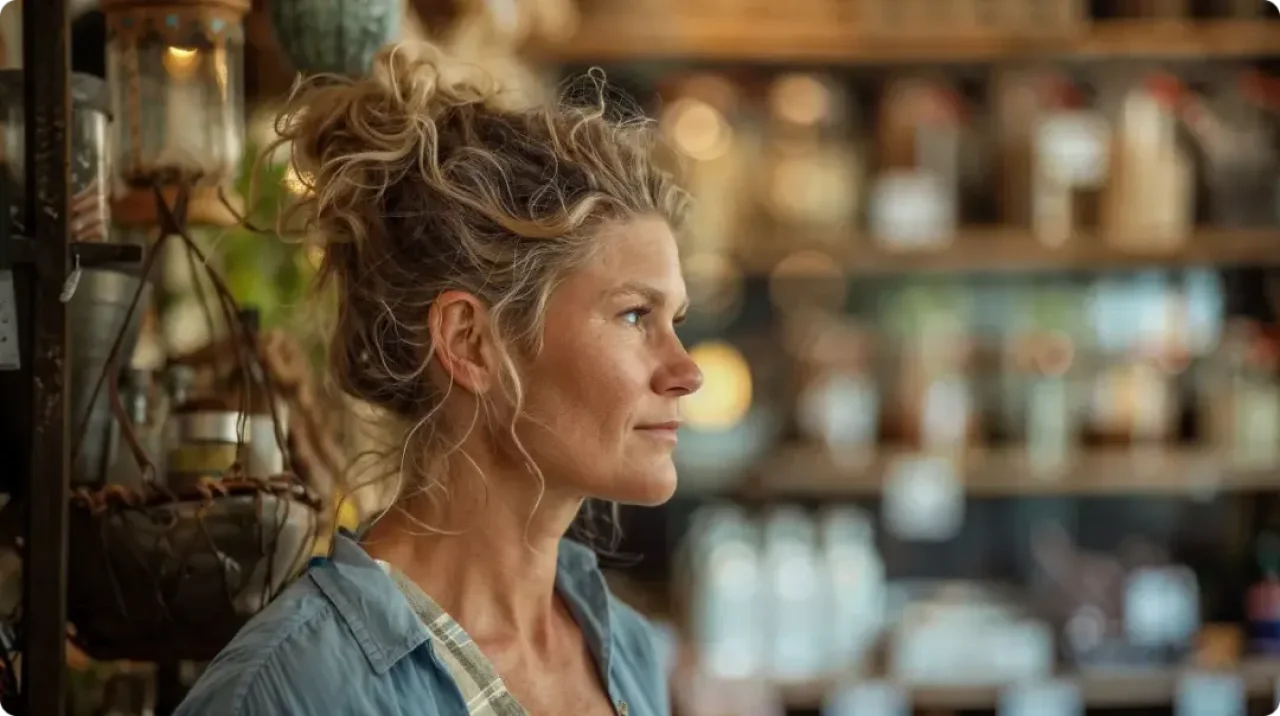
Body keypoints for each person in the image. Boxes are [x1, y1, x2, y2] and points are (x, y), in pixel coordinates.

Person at [174, 41, 701, 716]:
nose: (686, 371)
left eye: (675, 319)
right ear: (470, 343)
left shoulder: (623, 651)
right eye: (635, 315)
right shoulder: (292, 691)